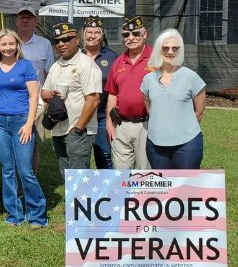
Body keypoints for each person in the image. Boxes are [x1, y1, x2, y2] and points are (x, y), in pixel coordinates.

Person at [0, 30, 47, 228]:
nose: (7, 48)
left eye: (11, 44)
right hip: (0, 123)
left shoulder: (25, 66)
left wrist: (29, 123)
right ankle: (14, 215)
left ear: (17, 46)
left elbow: (33, 96)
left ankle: (37, 215)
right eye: (4, 44)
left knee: (25, 170)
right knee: (7, 170)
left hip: (21, 122)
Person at [41, 22, 102, 180]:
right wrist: (51, 94)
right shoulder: (56, 65)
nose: (61, 44)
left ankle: (81, 204)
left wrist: (78, 128)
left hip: (78, 130)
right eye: (57, 41)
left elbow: (93, 100)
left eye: (66, 39)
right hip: (58, 128)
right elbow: (44, 93)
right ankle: (72, 204)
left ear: (77, 40)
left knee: (79, 177)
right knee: (66, 175)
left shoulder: (86, 64)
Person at [141, 29, 206, 169]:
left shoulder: (192, 77)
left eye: (175, 48)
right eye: (165, 48)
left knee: (187, 188)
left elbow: (199, 111)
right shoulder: (148, 80)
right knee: (163, 189)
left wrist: (180, 128)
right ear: (159, 49)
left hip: (187, 145)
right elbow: (149, 108)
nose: (170, 52)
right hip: (155, 144)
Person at [105, 16, 153, 170]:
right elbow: (112, 94)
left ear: (145, 34)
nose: (131, 38)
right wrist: (109, 123)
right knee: (120, 173)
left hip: (146, 125)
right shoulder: (119, 61)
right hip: (121, 124)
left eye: (135, 33)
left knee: (145, 173)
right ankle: (124, 196)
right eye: (126, 35)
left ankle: (142, 196)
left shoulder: (157, 59)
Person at [14, 6, 54, 173]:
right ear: (16, 21)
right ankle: (15, 185)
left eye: (28, 17)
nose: (25, 20)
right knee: (14, 144)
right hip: (12, 101)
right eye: (21, 17)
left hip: (36, 103)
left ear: (35, 22)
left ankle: (29, 184)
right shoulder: (9, 42)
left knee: (32, 144)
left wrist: (45, 102)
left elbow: (49, 73)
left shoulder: (44, 44)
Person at [81, 16, 117, 170]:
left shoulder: (112, 57)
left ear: (102, 35)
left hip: (102, 115)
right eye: (89, 32)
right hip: (80, 115)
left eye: (97, 32)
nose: (92, 36)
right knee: (80, 156)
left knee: (104, 155)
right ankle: (83, 192)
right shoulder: (76, 55)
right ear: (83, 34)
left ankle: (108, 191)